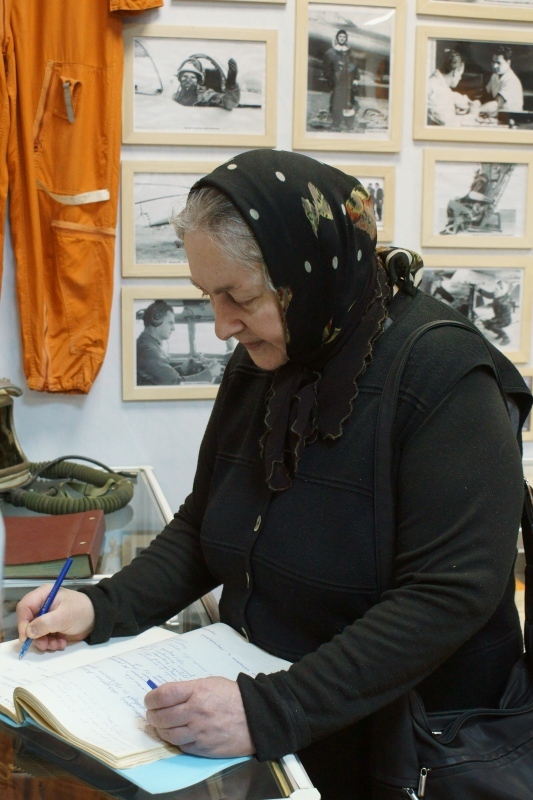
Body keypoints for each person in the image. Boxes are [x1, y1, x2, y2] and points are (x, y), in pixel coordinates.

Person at [16, 151, 532, 800]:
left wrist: (270, 709)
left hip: (408, 743)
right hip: (280, 712)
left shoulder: (444, 375)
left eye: (239, 298)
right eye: (208, 296)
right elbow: (206, 522)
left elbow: (446, 595)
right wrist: (102, 605)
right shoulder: (265, 357)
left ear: (307, 272)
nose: (221, 325)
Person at [136, 300, 221, 386]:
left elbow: (163, 378)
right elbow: (176, 384)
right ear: (156, 319)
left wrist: (181, 369)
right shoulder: (149, 351)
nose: (173, 328)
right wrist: (210, 373)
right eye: (170, 323)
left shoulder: (149, 344)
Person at [427, 49, 480, 126]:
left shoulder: (435, 81)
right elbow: (450, 124)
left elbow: (450, 95)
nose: (460, 78)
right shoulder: (439, 90)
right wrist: (472, 115)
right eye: (461, 74)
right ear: (456, 72)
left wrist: (464, 101)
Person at [322, 29, 361, 131]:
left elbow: (355, 67)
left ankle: (349, 124)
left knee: (349, 102)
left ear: (346, 39)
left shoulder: (350, 53)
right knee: (336, 103)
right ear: (337, 38)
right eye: (340, 37)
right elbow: (326, 69)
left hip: (348, 84)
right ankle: (336, 123)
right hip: (337, 84)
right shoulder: (330, 53)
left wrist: (356, 79)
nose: (342, 39)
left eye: (344, 37)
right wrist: (331, 81)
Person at [172, 57, 240, 110]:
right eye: (185, 76)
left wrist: (231, 84)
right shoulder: (176, 96)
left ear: (199, 81)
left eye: (193, 77)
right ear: (179, 78)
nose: (188, 80)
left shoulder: (206, 95)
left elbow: (230, 103)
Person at [478, 45, 524, 117]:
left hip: (512, 119)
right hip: (498, 116)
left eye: (499, 63)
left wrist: (478, 110)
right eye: (493, 62)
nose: (494, 66)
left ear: (508, 63)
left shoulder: (512, 81)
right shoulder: (494, 76)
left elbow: (497, 103)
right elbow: (486, 95)